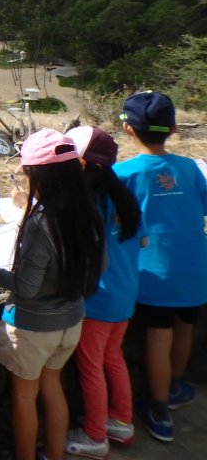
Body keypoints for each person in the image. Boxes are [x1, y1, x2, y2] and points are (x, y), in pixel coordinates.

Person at [0, 129, 104, 460]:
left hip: (35, 326)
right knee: (53, 389)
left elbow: (26, 287)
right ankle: (54, 454)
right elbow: (100, 266)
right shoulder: (88, 213)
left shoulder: (41, 222)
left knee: (25, 396)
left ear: (41, 175)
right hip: (72, 320)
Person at [114, 90, 207, 444]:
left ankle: (158, 408)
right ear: (173, 128)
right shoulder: (189, 168)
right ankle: (176, 385)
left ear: (127, 129)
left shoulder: (123, 173)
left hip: (154, 275)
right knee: (184, 328)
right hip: (195, 270)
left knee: (157, 337)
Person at [62, 126, 144, 457]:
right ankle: (121, 420)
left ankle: (96, 435)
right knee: (113, 357)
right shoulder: (124, 195)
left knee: (91, 368)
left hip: (98, 299)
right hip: (126, 293)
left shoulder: (85, 204)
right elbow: (143, 239)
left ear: (80, 165)